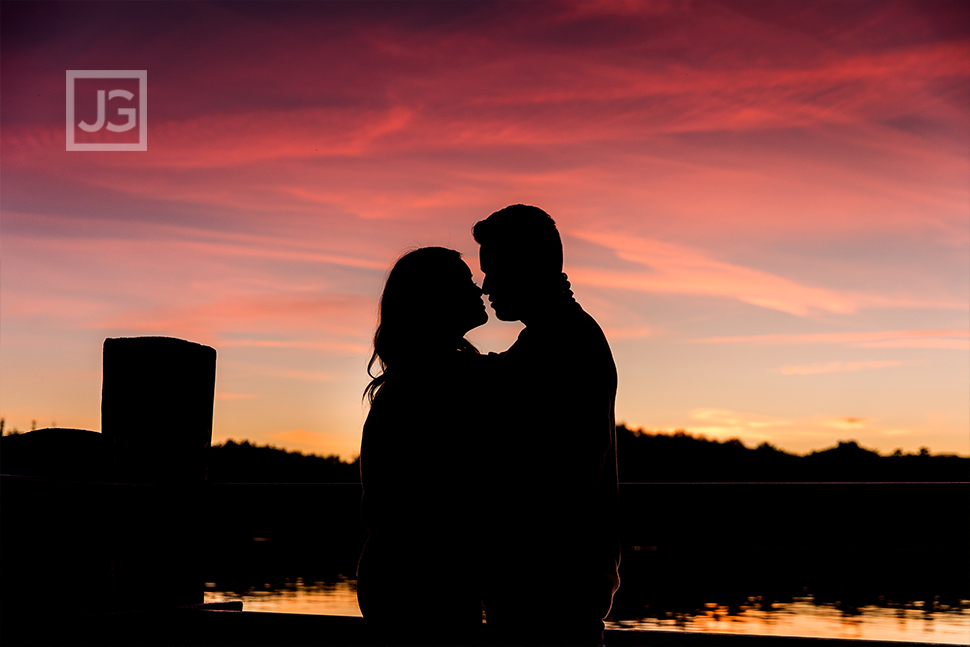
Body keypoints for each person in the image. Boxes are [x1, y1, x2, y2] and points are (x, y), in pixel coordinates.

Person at [473, 205, 620, 647]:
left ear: (529, 268)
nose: (486, 287)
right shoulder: (553, 338)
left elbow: (558, 482)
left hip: (550, 592)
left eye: (494, 270)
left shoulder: (560, 345)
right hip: (556, 587)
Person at [356, 246, 490, 646]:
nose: (479, 288)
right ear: (437, 299)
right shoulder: (444, 380)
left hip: (400, 577)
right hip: (422, 583)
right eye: (465, 281)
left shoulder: (421, 378)